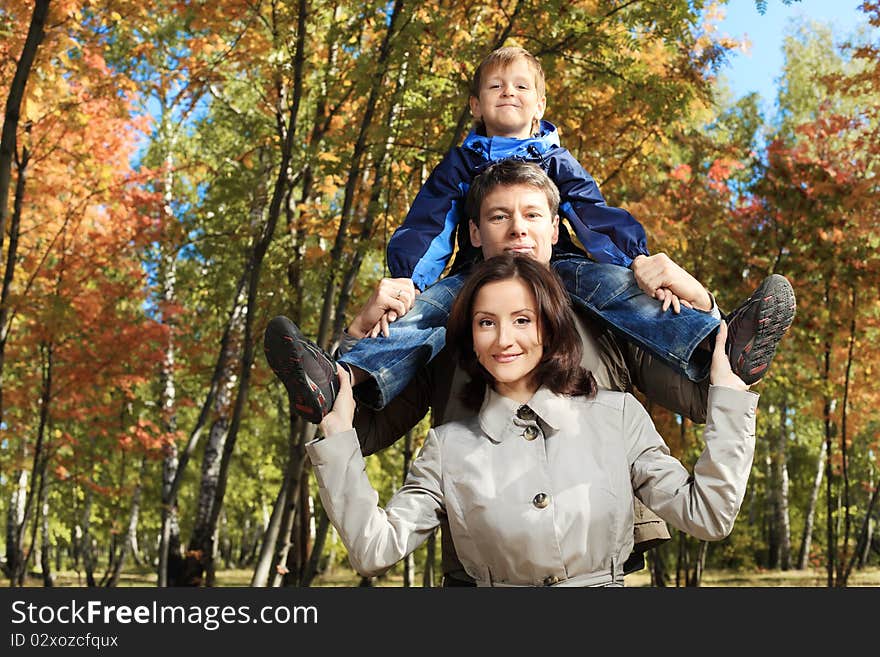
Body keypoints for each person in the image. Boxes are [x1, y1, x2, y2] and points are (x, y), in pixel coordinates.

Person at [267, 160, 790, 583]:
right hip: (483, 559)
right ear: (474, 232)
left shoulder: (611, 316)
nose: (505, 340)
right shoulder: (441, 331)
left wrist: (705, 313)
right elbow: (361, 433)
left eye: (532, 215)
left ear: (555, 226)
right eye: (499, 217)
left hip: (599, 548)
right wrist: (356, 352)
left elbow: (709, 397)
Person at [264, 48, 795, 426]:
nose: (508, 93)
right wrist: (408, 283)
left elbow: (591, 211)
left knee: (618, 290)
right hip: (475, 273)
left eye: (521, 86)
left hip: (562, 266)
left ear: (540, 105)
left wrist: (636, 260)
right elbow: (431, 223)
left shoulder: (556, 159)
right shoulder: (463, 162)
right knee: (424, 313)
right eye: (495, 87)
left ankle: (719, 344)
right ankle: (341, 380)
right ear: (475, 106)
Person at [306, 254, 758, 587]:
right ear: (471, 338)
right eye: (486, 323)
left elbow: (709, 515)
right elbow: (374, 549)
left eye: (522, 319)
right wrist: (338, 438)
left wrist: (730, 397)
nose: (504, 339)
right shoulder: (447, 447)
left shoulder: (618, 417)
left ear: (550, 327)